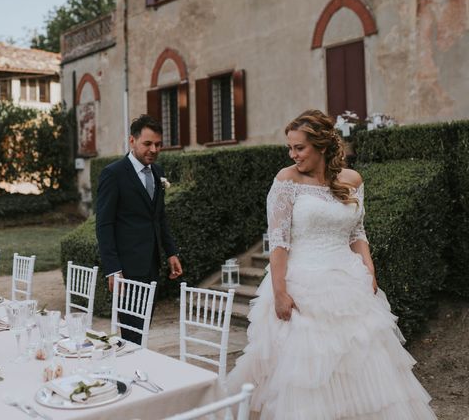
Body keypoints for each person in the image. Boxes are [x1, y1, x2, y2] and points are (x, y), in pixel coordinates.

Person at [227, 110, 436, 419]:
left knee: (361, 365)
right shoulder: (286, 181)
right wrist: (280, 292)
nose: (292, 154)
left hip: (349, 284)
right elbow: (279, 242)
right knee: (307, 374)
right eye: (290, 148)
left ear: (322, 146)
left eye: (300, 148)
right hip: (303, 288)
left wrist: (369, 270)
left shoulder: (352, 181)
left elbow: (357, 232)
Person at [96, 114, 183, 345]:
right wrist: (113, 269)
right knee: (130, 334)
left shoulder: (157, 171)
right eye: (148, 143)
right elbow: (104, 225)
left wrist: (171, 252)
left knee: (142, 329)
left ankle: (136, 371)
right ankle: (127, 377)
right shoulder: (113, 174)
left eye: (158, 144)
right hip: (127, 270)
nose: (154, 149)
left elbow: (159, 217)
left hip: (151, 265)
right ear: (132, 141)